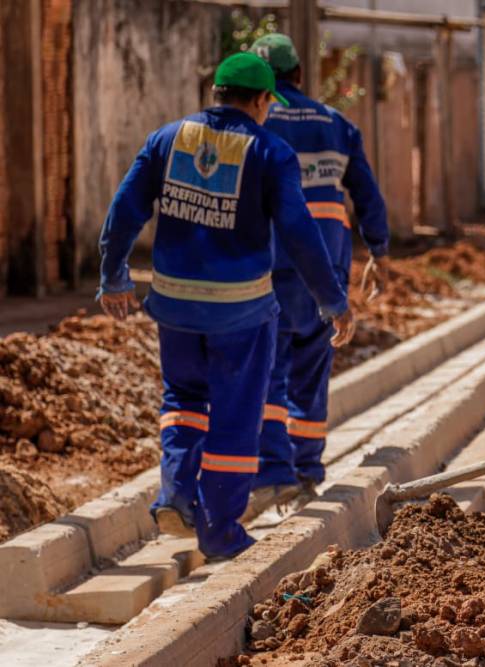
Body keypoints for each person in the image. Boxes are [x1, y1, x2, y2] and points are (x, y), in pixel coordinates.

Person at [97, 52, 355, 560]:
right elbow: (301, 235)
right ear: (260, 100)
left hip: (173, 306)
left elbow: (124, 211)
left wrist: (113, 278)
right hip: (241, 312)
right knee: (236, 414)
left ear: (216, 92)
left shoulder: (168, 139)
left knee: (183, 400)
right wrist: (333, 301)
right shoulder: (269, 150)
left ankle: (174, 493)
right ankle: (220, 531)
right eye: (266, 103)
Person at [241, 33, 391, 517]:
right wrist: (379, 248)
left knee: (269, 370)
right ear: (301, 74)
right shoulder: (337, 123)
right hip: (326, 263)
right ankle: (306, 471)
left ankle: (276, 471)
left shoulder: (256, 122)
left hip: (270, 265)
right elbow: (366, 192)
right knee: (312, 367)